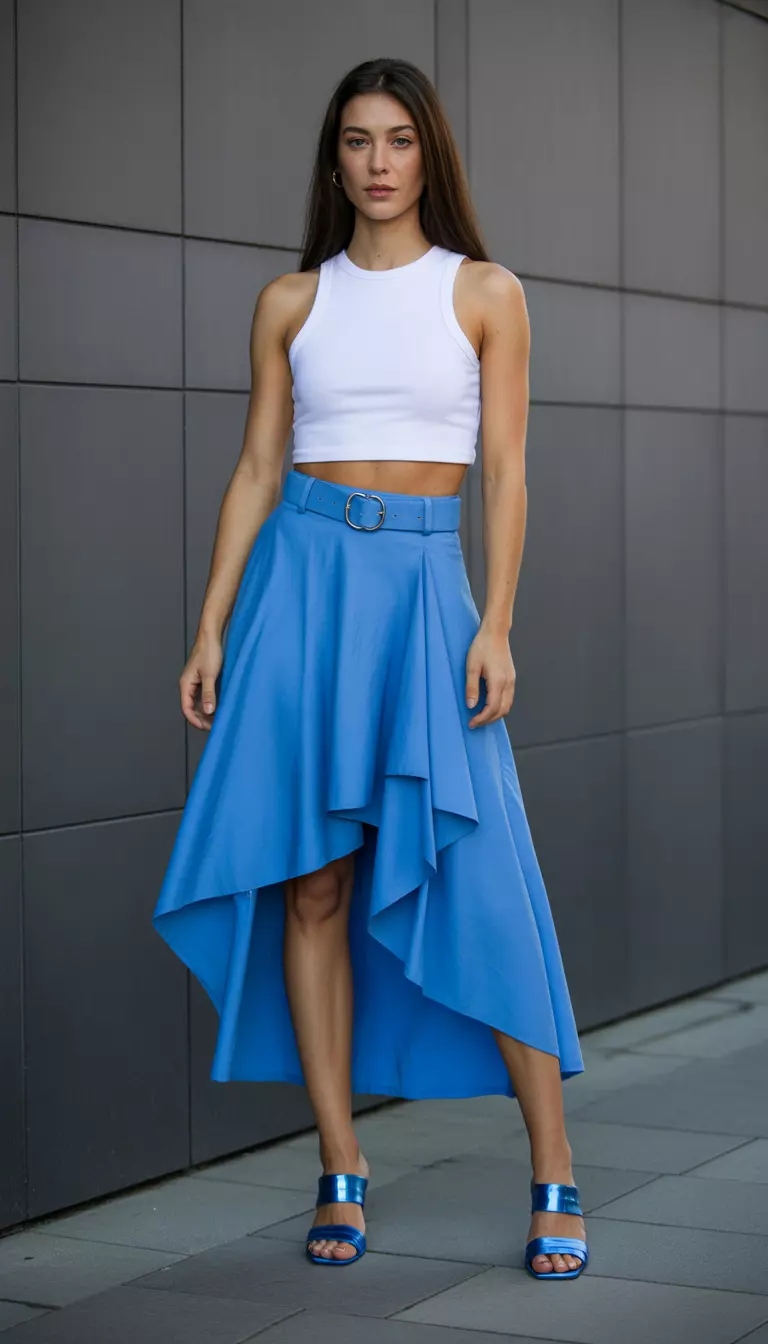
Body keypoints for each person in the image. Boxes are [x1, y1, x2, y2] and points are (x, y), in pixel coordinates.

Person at [152, 56, 589, 1279]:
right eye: (358, 140)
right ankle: (340, 1165)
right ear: (334, 160)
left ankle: (555, 1165)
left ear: (427, 153)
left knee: (482, 872)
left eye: (399, 139)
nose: (379, 162)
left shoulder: (486, 291)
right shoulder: (291, 302)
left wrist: (496, 623)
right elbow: (256, 468)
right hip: (300, 590)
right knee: (312, 887)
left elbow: (505, 471)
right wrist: (211, 625)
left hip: (423, 593)